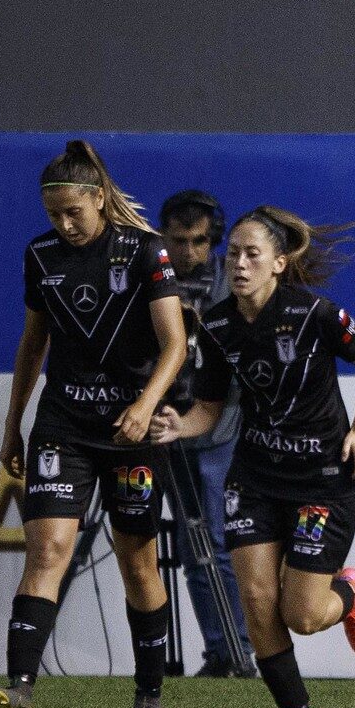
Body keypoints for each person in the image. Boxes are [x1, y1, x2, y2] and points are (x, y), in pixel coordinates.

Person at [151, 206, 355, 708]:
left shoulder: (314, 312)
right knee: (256, 599)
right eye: (232, 253)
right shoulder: (215, 324)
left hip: (322, 479)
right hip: (254, 477)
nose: (239, 263)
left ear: (279, 263)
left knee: (302, 615)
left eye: (252, 254)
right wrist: (175, 426)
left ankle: (348, 593)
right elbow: (208, 409)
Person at [0, 140, 188, 708]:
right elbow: (33, 345)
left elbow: (175, 344)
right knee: (47, 551)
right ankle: (19, 691)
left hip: (130, 431)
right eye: (55, 215)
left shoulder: (147, 252)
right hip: (63, 425)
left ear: (99, 199)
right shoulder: (41, 256)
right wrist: (12, 422)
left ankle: (149, 700)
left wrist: (146, 404)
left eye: (74, 211)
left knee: (138, 567)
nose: (65, 225)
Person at [158, 189, 255, 678]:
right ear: (164, 238)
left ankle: (241, 650)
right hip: (167, 429)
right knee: (193, 547)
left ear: (213, 239)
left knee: (220, 543)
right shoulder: (151, 283)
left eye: (199, 241)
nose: (189, 252)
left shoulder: (232, 287)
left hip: (221, 432)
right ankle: (220, 653)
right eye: (179, 241)